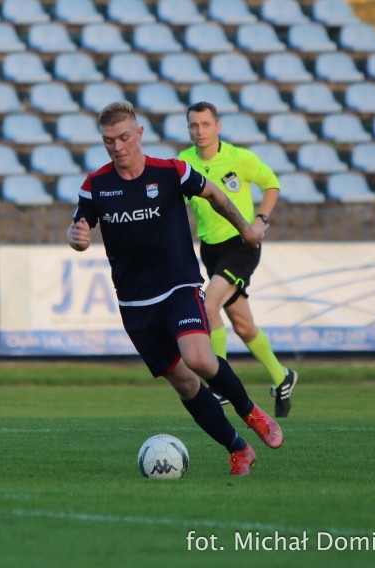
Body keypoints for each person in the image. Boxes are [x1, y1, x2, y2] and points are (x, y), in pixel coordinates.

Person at [67, 101, 283, 476]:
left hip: (178, 285)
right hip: (135, 303)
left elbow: (215, 195)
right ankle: (238, 449)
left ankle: (251, 413)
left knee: (199, 358)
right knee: (184, 382)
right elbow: (79, 231)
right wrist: (77, 237)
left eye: (123, 138)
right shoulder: (95, 185)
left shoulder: (171, 172)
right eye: (108, 141)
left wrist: (246, 229)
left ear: (138, 134)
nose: (117, 147)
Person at [178, 102, 298, 417]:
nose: (199, 131)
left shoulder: (239, 158)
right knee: (244, 327)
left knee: (208, 305)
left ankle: (218, 384)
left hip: (242, 245)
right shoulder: (184, 162)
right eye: (193, 125)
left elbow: (271, 183)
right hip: (211, 249)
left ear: (218, 126)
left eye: (205, 124)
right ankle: (282, 376)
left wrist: (261, 220)